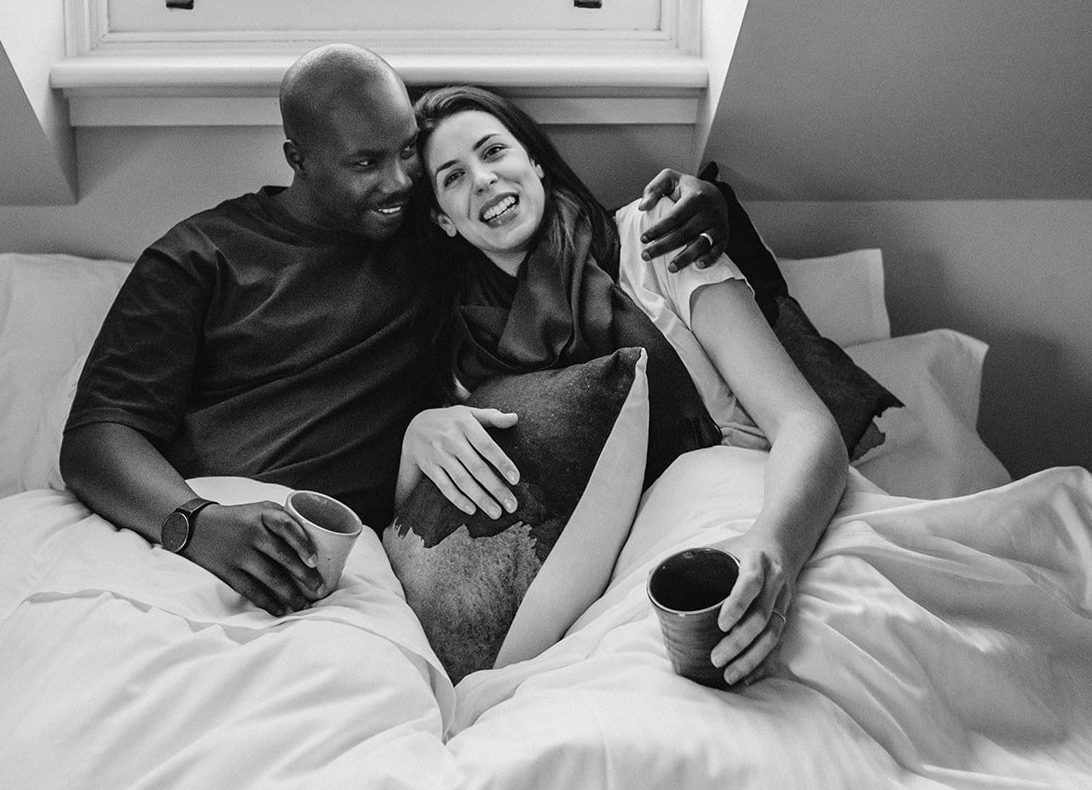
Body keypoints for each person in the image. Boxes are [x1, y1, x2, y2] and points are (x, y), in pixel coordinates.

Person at [60, 43, 736, 619]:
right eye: (364, 164)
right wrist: (197, 522)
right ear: (298, 157)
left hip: (339, 558)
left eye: (408, 151)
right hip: (193, 524)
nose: (397, 181)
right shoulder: (199, 258)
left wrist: (710, 208)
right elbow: (97, 436)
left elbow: (563, 235)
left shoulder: (431, 237)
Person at [403, 84, 848, 688]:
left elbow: (805, 424)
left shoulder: (654, 237)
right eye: (453, 177)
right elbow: (425, 528)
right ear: (443, 220)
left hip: (746, 513)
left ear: (535, 160)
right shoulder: (463, 355)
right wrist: (416, 438)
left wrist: (774, 547)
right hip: (596, 586)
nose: (482, 180)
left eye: (493, 151)